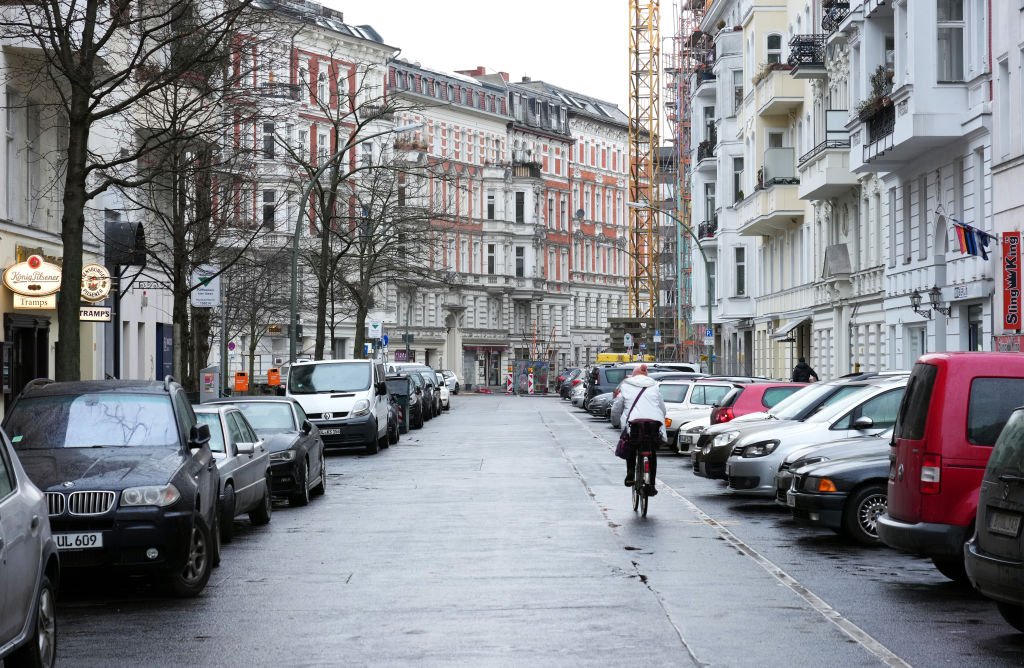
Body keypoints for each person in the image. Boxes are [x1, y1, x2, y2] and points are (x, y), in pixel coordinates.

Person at [611, 364, 667, 495]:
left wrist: (615, 421)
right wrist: (661, 418)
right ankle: (651, 485)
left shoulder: (626, 386)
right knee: (651, 451)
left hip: (633, 423)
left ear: (633, 375)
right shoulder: (654, 386)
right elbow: (662, 407)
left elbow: (617, 407)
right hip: (653, 424)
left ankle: (630, 474)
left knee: (631, 445)